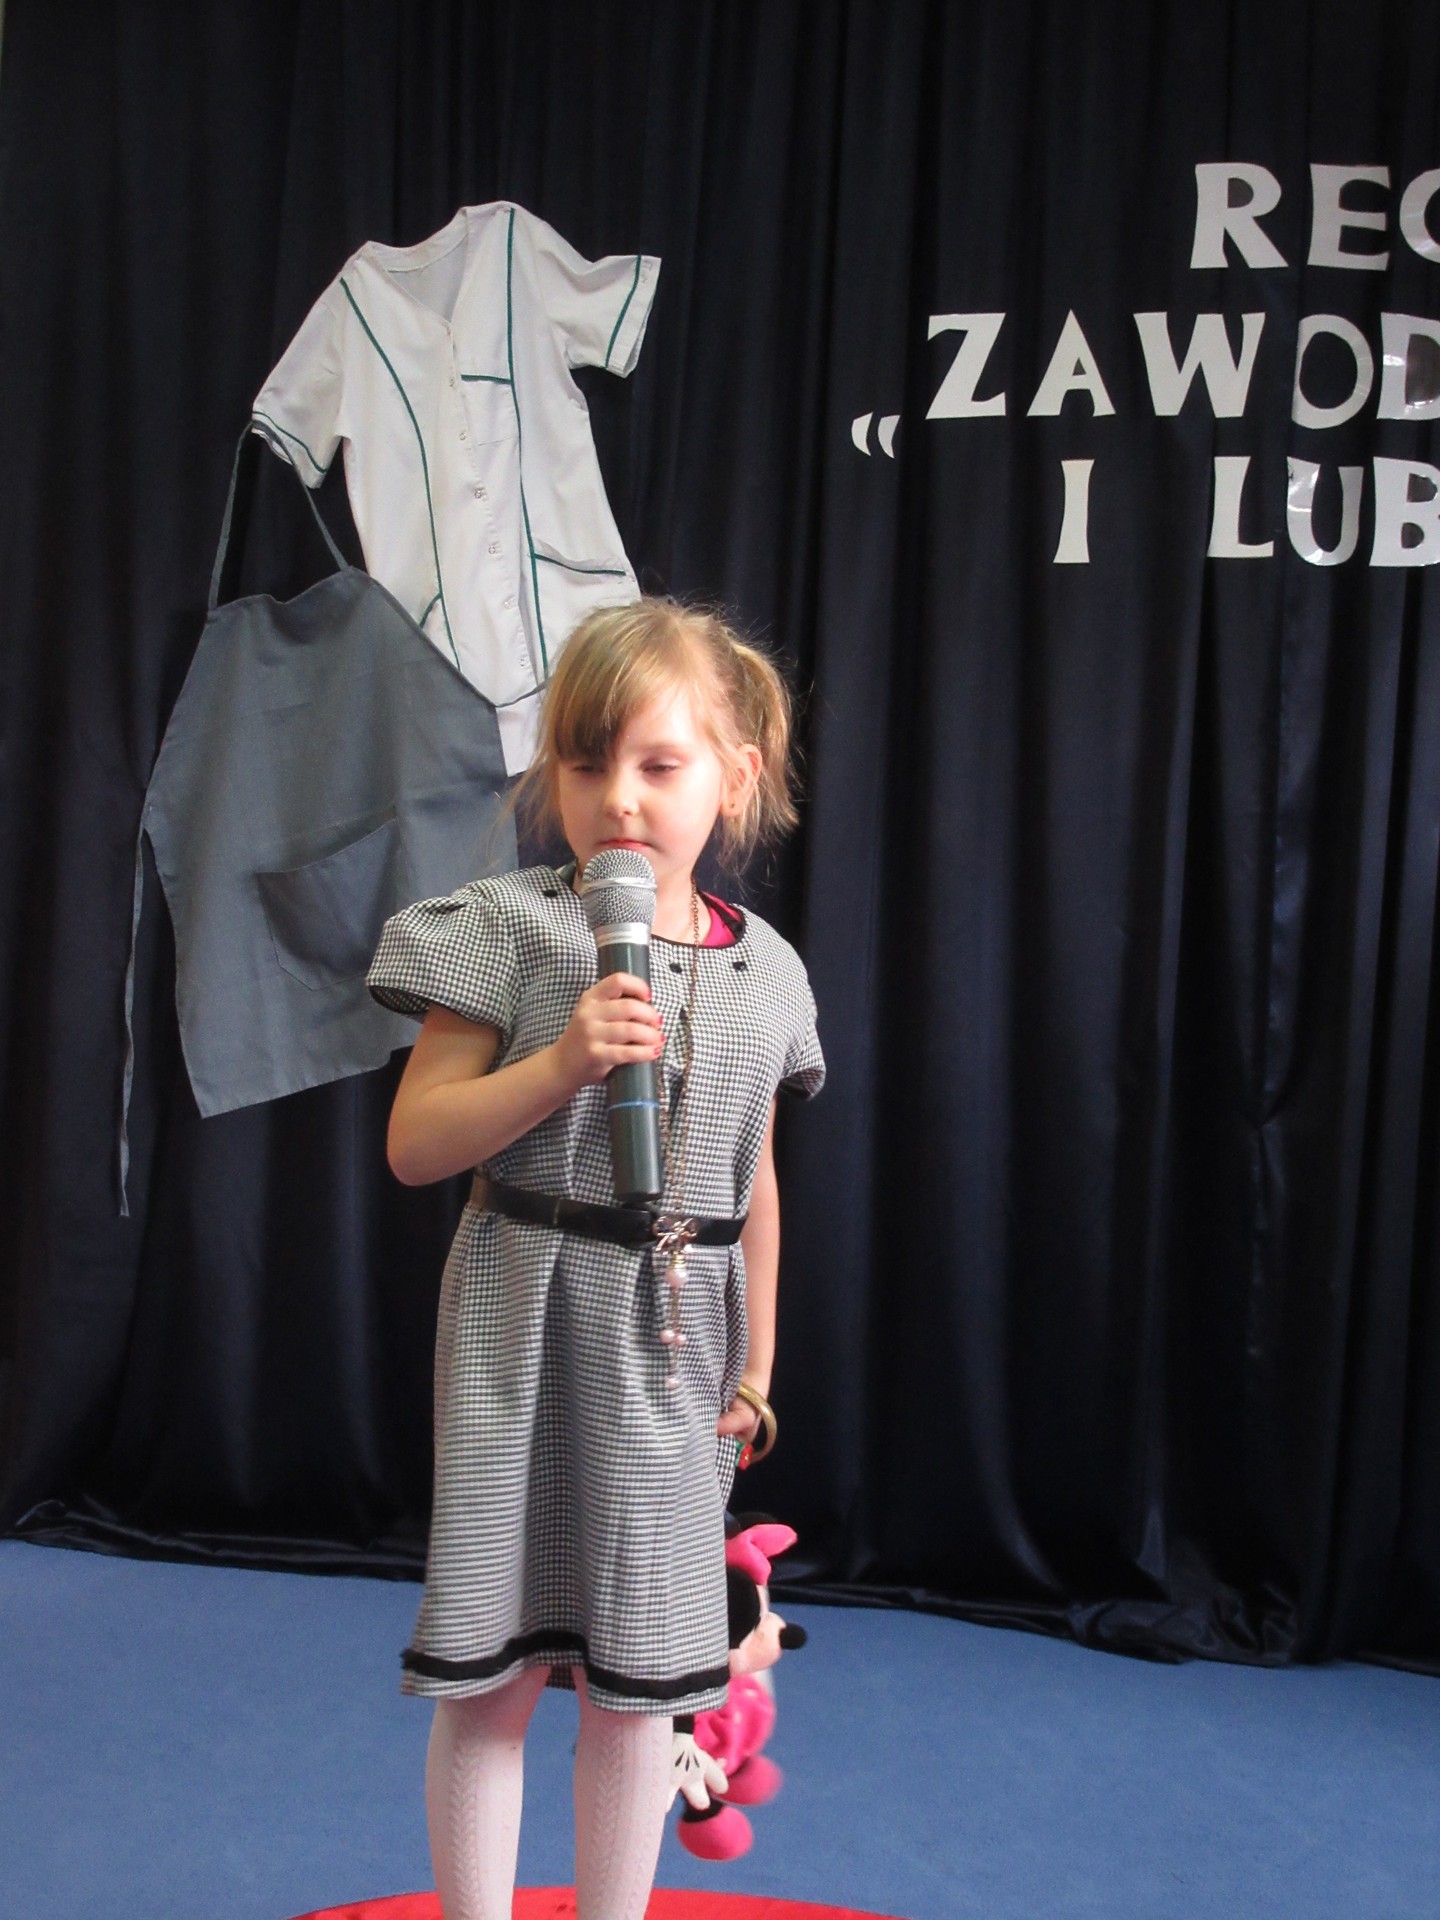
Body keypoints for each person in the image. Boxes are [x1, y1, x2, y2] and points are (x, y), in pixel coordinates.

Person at [366, 598, 825, 1920]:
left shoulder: (770, 974)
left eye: (659, 764)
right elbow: (416, 1145)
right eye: (584, 762)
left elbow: (752, 1185)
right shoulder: (501, 929)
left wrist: (759, 1368)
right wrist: (563, 1062)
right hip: (523, 1319)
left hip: (676, 1354)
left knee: (642, 1685)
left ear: (735, 775)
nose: (618, 797)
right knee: (496, 1675)